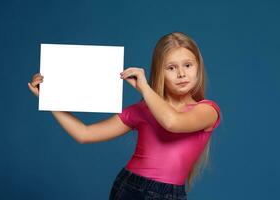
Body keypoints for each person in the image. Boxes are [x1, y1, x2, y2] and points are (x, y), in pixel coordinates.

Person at [28, 31, 221, 200]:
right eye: (171, 67)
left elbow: (172, 122)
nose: (181, 74)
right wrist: (49, 99)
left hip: (169, 193)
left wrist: (144, 88)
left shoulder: (207, 110)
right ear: (159, 72)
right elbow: (84, 134)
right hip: (129, 188)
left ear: (198, 67)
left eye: (188, 65)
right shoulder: (142, 109)